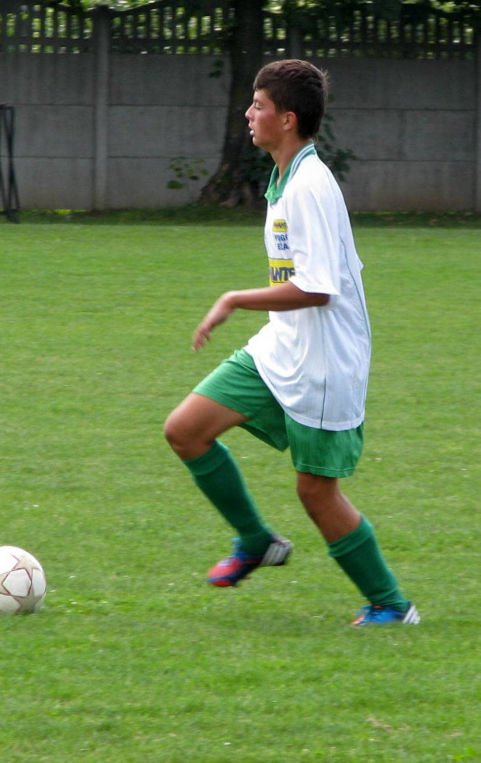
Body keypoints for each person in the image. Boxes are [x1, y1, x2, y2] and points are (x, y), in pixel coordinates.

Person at [164, 59, 419, 627]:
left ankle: (391, 605)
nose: (248, 113)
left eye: (258, 105)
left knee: (315, 492)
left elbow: (318, 289)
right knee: (185, 430)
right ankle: (255, 541)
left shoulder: (309, 186)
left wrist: (233, 299)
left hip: (326, 361)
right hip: (282, 346)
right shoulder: (285, 177)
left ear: (287, 118)